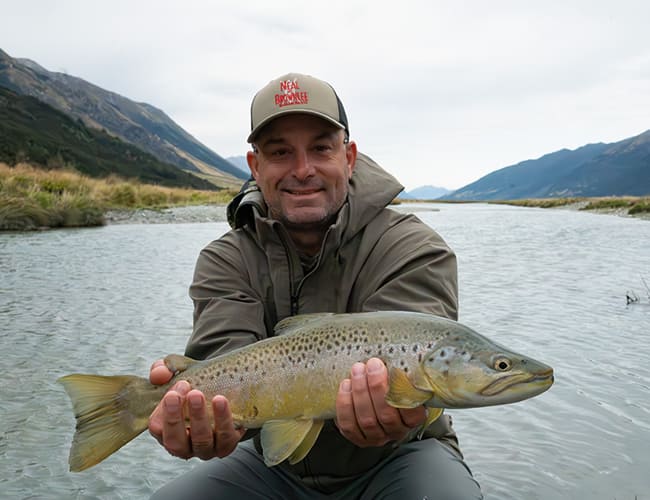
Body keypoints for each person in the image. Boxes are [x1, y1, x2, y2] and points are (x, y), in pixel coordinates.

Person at [148, 73, 483, 499]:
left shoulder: (415, 248)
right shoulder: (225, 259)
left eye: (321, 148)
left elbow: (420, 356)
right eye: (280, 152)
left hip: (401, 456)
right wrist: (204, 419)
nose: (303, 170)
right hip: (271, 464)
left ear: (349, 156)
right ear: (255, 166)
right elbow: (223, 361)